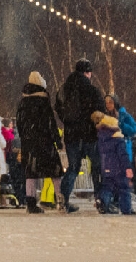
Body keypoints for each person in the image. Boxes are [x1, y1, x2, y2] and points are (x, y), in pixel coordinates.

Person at [56, 58, 106, 213]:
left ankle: (63, 199)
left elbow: (58, 108)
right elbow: (100, 111)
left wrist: (69, 121)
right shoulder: (92, 90)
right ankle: (101, 199)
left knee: (73, 168)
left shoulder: (64, 89)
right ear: (87, 72)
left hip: (71, 135)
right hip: (89, 135)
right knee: (96, 167)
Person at [15, 71, 64, 214]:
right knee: (55, 171)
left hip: (29, 143)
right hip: (44, 141)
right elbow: (51, 123)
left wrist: (25, 137)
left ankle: (30, 202)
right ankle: (60, 199)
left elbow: (19, 122)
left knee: (30, 172)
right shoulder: (43, 100)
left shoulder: (23, 102)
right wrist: (57, 140)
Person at [95, 112, 134, 215]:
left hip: (106, 167)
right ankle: (126, 209)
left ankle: (103, 201)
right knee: (124, 188)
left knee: (107, 187)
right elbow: (123, 155)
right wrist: (128, 168)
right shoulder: (118, 140)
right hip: (119, 168)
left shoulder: (102, 139)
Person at [103, 94, 136, 211]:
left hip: (123, 150)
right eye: (106, 103)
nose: (108, 105)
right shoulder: (104, 117)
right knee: (111, 179)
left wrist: (121, 124)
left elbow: (133, 130)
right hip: (110, 152)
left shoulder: (124, 115)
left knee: (123, 179)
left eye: (110, 102)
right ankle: (111, 202)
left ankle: (123, 204)